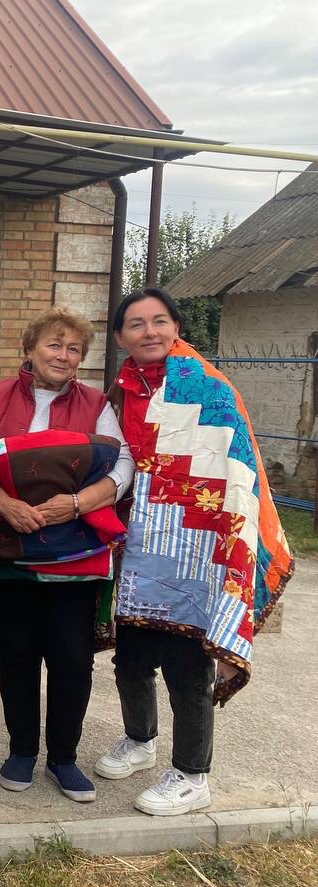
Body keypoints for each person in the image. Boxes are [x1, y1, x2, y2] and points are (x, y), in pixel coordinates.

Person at [94, 288, 293, 815]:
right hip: (138, 547)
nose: (149, 332)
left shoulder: (208, 388)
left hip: (197, 546)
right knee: (131, 658)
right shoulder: (120, 392)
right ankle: (141, 740)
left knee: (188, 665)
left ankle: (191, 772)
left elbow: (236, 468)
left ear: (176, 326)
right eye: (136, 324)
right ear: (120, 337)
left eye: (160, 321)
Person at [0, 306, 133, 803]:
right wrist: (5, 503)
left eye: (73, 349)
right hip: (8, 546)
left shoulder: (97, 403)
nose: (63, 356)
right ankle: (21, 749)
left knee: (71, 660)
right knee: (15, 655)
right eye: (53, 345)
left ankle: (64, 757)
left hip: (74, 554)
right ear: (30, 349)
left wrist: (78, 503)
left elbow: (123, 463)